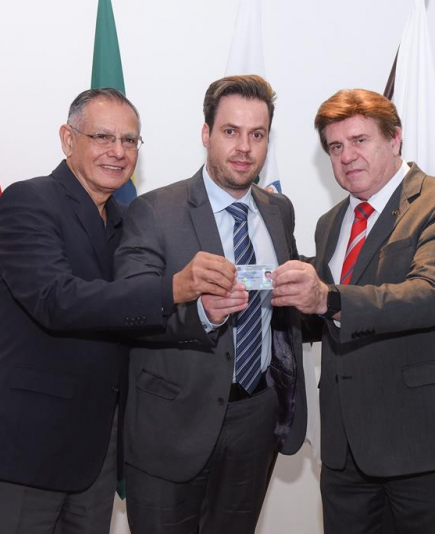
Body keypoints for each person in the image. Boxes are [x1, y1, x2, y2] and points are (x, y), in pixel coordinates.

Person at [0, 88, 236, 534]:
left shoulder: (128, 220)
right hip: (26, 448)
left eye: (129, 140)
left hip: (98, 453)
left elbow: (137, 319)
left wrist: (206, 312)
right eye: (103, 137)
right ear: (68, 139)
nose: (118, 151)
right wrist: (173, 288)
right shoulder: (29, 200)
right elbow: (56, 300)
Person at [271, 88, 435, 533]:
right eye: (335, 147)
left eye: (360, 140)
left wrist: (328, 298)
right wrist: (264, 297)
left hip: (428, 443)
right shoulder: (330, 224)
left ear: (394, 139)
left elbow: (429, 296)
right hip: (345, 452)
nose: (346, 156)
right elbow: (329, 319)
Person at [114, 75, 307, 534]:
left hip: (255, 420)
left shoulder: (279, 210)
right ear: (206, 133)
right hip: (172, 427)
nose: (244, 148)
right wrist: (200, 314)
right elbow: (129, 313)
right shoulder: (154, 211)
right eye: (230, 131)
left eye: (257, 134)